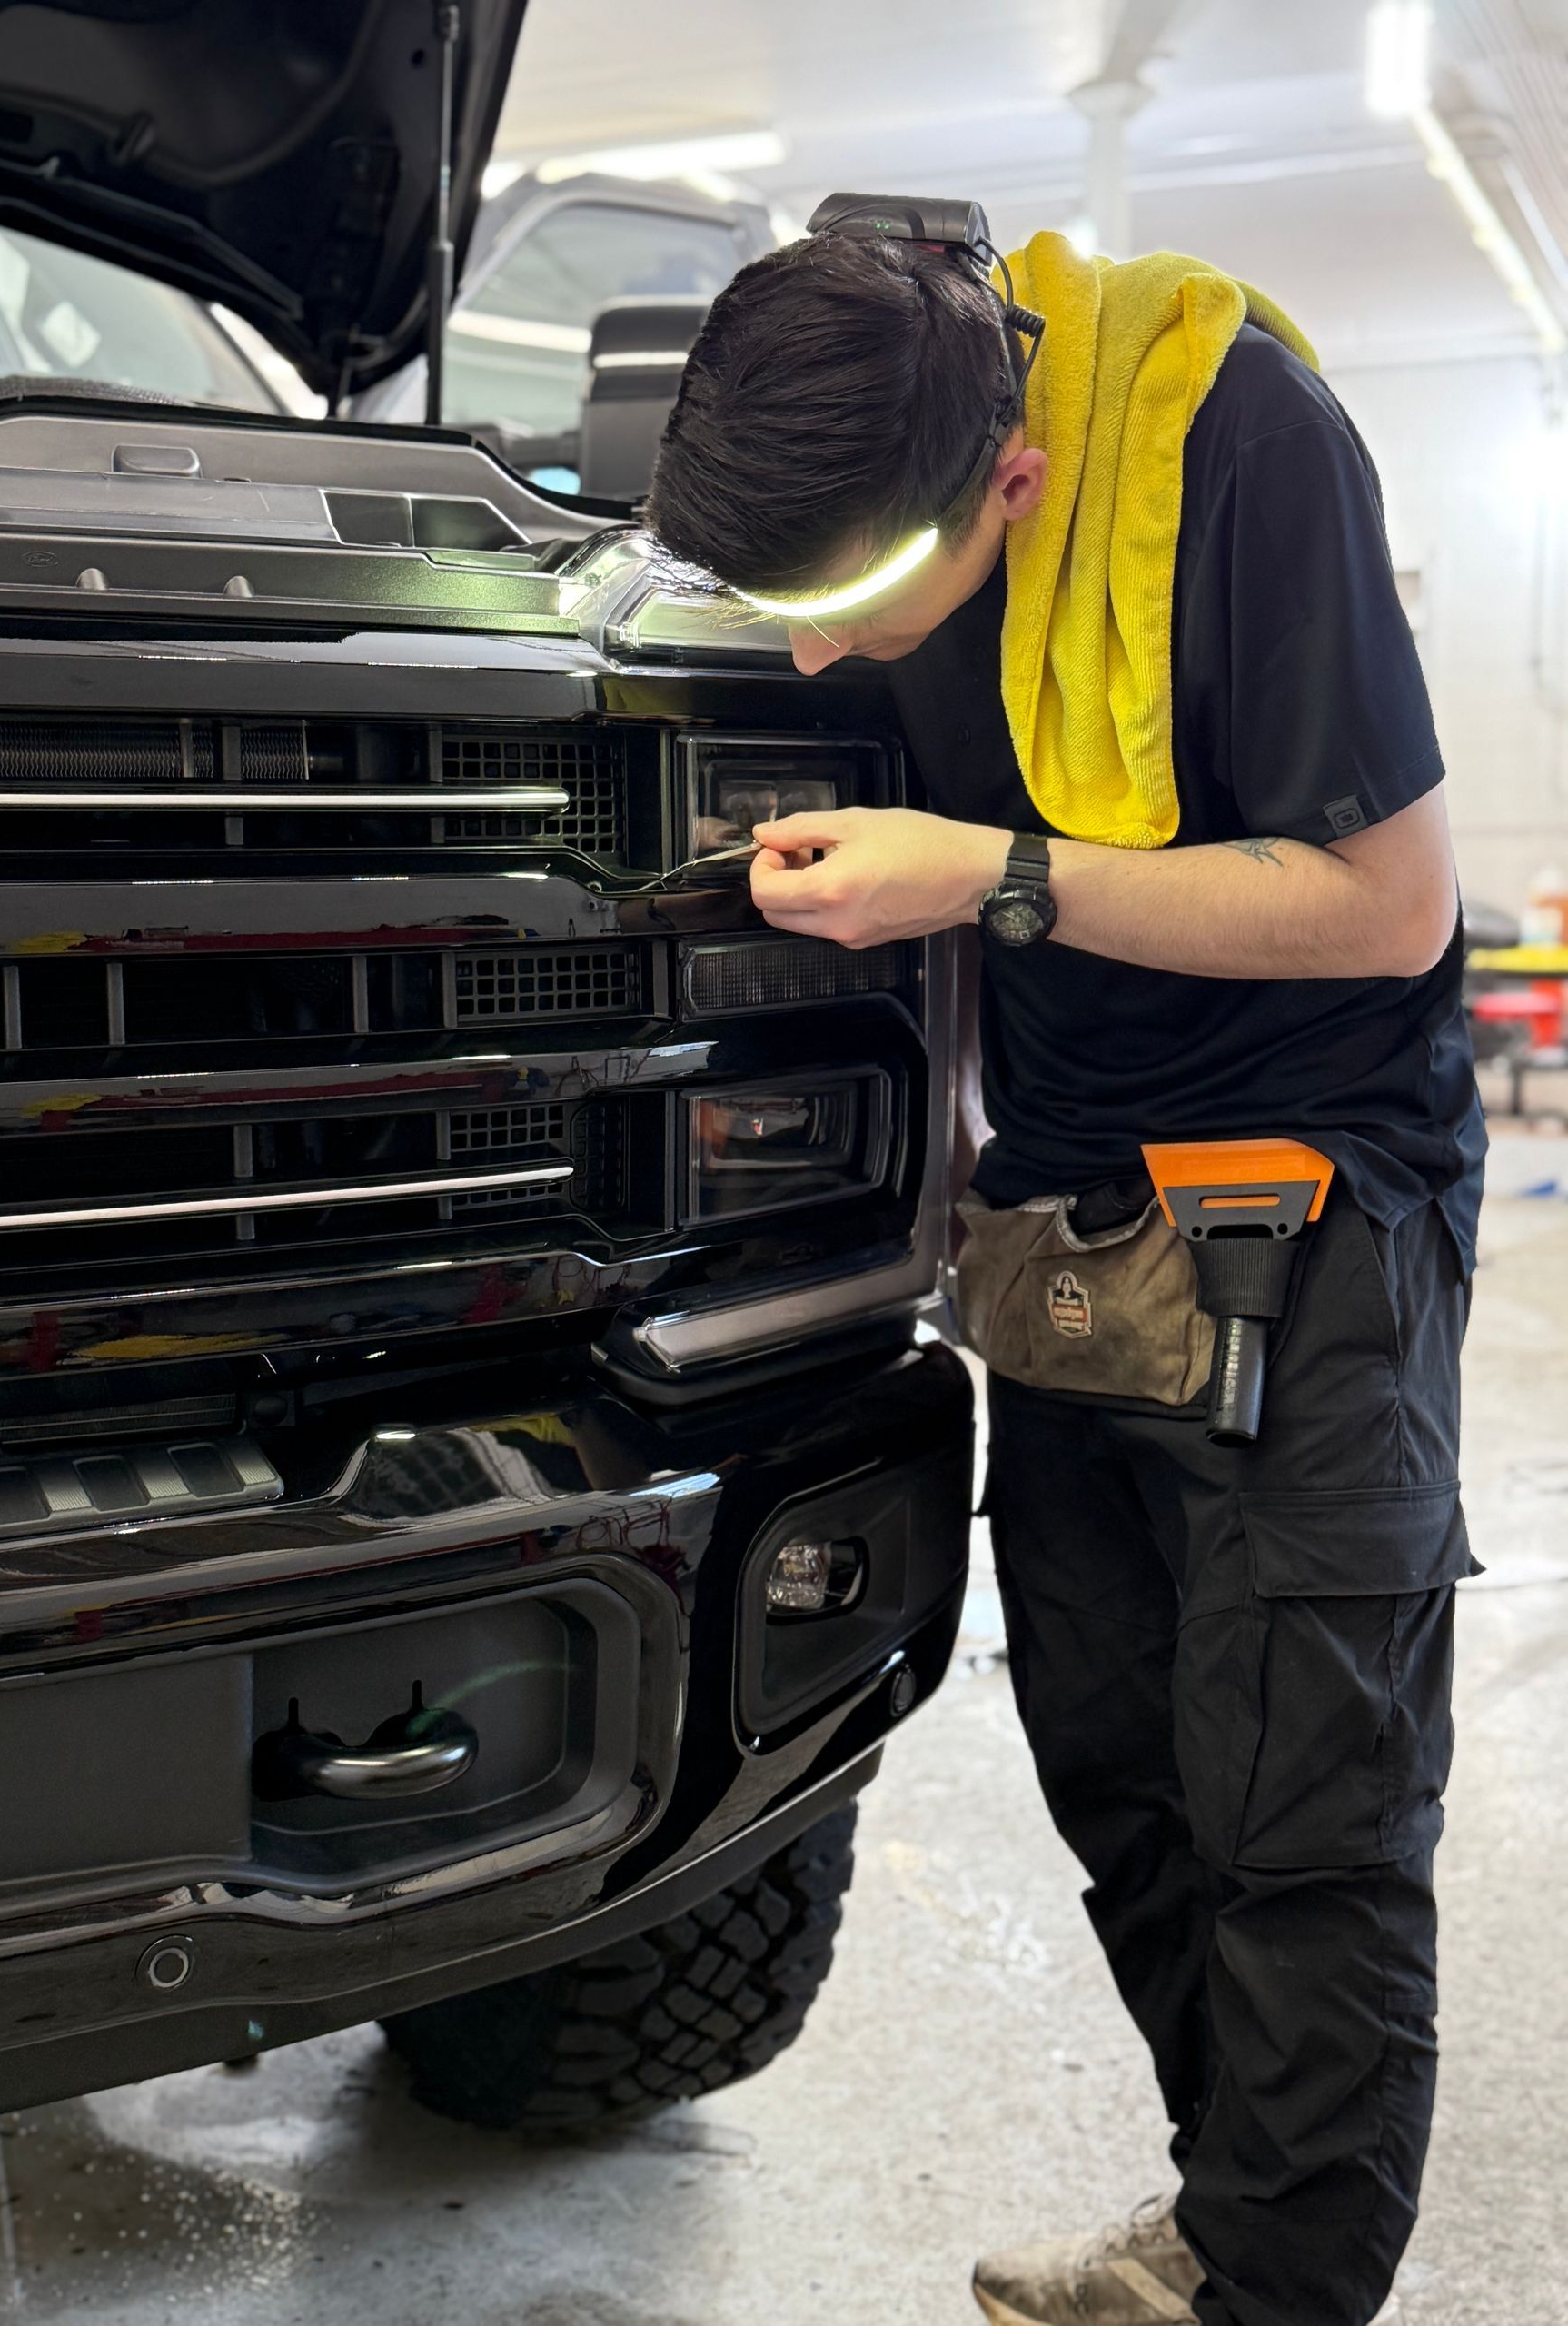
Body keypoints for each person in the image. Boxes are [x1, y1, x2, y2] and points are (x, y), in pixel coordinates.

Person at [644, 216, 1484, 2326]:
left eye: (848, 606)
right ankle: (1239, 2234)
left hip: (1304, 1203)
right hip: (1064, 1210)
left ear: (1012, 484)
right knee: (1124, 1767)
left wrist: (992, 877)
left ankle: (1282, 2286)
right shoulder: (867, 414)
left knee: (1302, 1807)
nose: (830, 661)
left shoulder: (1241, 445)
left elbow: (1388, 908)